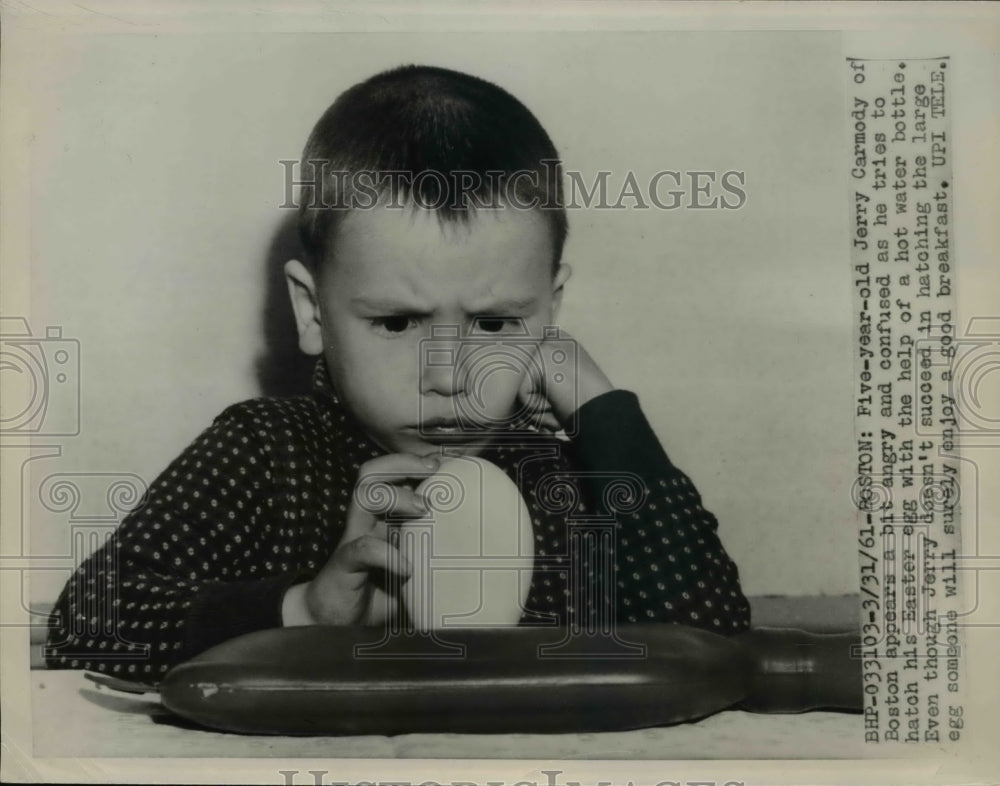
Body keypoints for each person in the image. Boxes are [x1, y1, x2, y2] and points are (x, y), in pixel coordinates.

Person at [46, 65, 750, 680]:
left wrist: (600, 408)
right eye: (397, 323)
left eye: (497, 324)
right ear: (312, 311)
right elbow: (86, 624)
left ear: (549, 314)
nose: (452, 379)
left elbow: (713, 640)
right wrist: (307, 608)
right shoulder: (266, 455)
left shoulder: (565, 481)